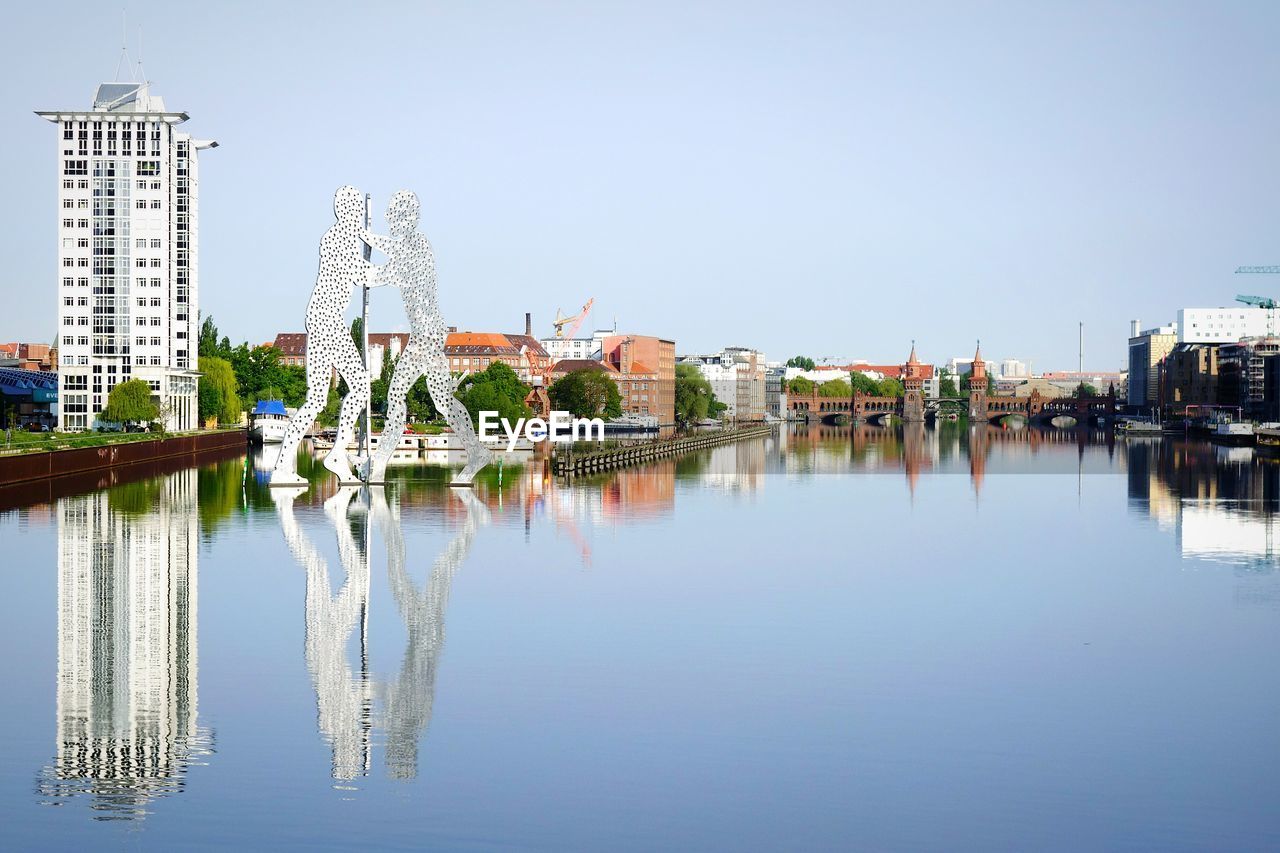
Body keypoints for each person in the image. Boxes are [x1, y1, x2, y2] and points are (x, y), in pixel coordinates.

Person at [363, 191, 492, 485]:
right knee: (441, 401)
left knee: (396, 394)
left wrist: (362, 244)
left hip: (426, 336)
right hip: (428, 334)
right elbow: (390, 255)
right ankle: (476, 452)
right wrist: (367, 238)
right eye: (390, 216)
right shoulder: (409, 246)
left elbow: (383, 272)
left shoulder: (417, 246)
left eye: (395, 216)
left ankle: (380, 462)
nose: (391, 221)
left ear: (408, 218)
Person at [271, 186, 372, 486]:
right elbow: (361, 274)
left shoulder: (343, 237)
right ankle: (336, 454)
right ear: (345, 211)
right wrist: (395, 272)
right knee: (358, 387)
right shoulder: (338, 238)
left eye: (359, 212)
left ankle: (284, 465)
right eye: (354, 211)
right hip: (327, 321)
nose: (358, 217)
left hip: (326, 320)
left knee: (319, 398)